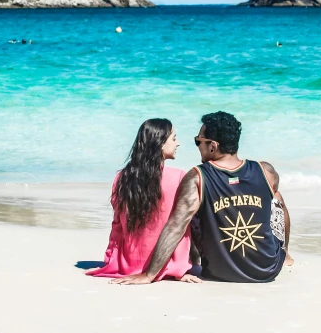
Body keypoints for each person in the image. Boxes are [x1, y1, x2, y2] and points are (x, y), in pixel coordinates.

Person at [111, 111, 292, 285]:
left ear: (213, 146)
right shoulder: (265, 170)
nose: (197, 145)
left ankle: (198, 259)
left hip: (218, 271)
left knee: (191, 208)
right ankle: (286, 255)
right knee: (275, 196)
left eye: (198, 141)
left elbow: (176, 225)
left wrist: (149, 274)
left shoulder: (198, 176)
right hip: (267, 270)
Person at [87, 118, 195, 282]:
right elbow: (183, 226)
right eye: (173, 138)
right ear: (159, 143)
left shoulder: (121, 177)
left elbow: (117, 225)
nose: (178, 143)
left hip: (128, 265)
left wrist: (111, 261)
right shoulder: (180, 177)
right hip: (168, 266)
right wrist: (184, 268)